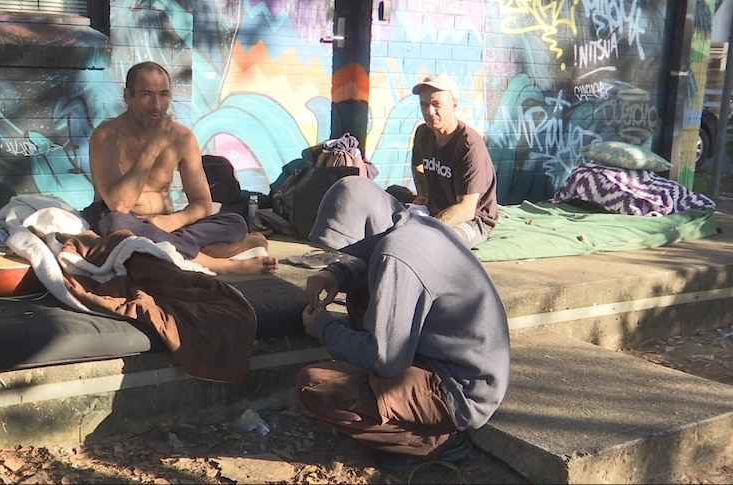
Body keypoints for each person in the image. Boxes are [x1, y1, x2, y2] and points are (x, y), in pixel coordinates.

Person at [295, 176, 510, 476]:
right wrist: (337, 274)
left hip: (462, 392)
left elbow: (386, 360)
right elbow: (372, 261)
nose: (349, 253)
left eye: (348, 246)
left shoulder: (396, 255)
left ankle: (431, 441)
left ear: (365, 226)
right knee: (363, 298)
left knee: (314, 386)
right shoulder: (415, 226)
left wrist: (325, 328)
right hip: (461, 367)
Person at [84, 61, 277, 274]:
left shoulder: (182, 137)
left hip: (168, 225)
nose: (157, 105)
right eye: (147, 95)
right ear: (128, 96)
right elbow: (118, 204)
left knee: (235, 222)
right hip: (123, 221)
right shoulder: (107, 136)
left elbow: (202, 202)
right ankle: (221, 263)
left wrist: (172, 221)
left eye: (164, 95)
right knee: (117, 224)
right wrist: (151, 149)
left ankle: (170, 246)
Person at [410, 74, 499, 248]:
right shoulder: (423, 133)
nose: (429, 111)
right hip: (436, 210)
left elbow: (466, 209)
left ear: (454, 104)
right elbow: (417, 165)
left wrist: (427, 229)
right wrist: (423, 194)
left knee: (440, 243)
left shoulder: (469, 146)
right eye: (424, 104)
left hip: (473, 219)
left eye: (436, 105)